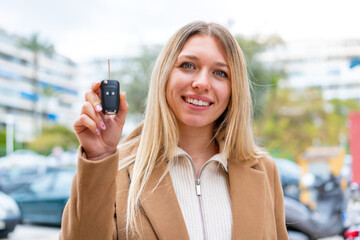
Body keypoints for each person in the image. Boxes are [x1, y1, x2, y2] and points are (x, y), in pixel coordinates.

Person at [60, 21, 289, 240]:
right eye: (188, 66)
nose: (201, 83)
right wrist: (99, 156)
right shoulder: (117, 169)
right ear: (165, 75)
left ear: (234, 89)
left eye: (220, 73)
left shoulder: (264, 171)